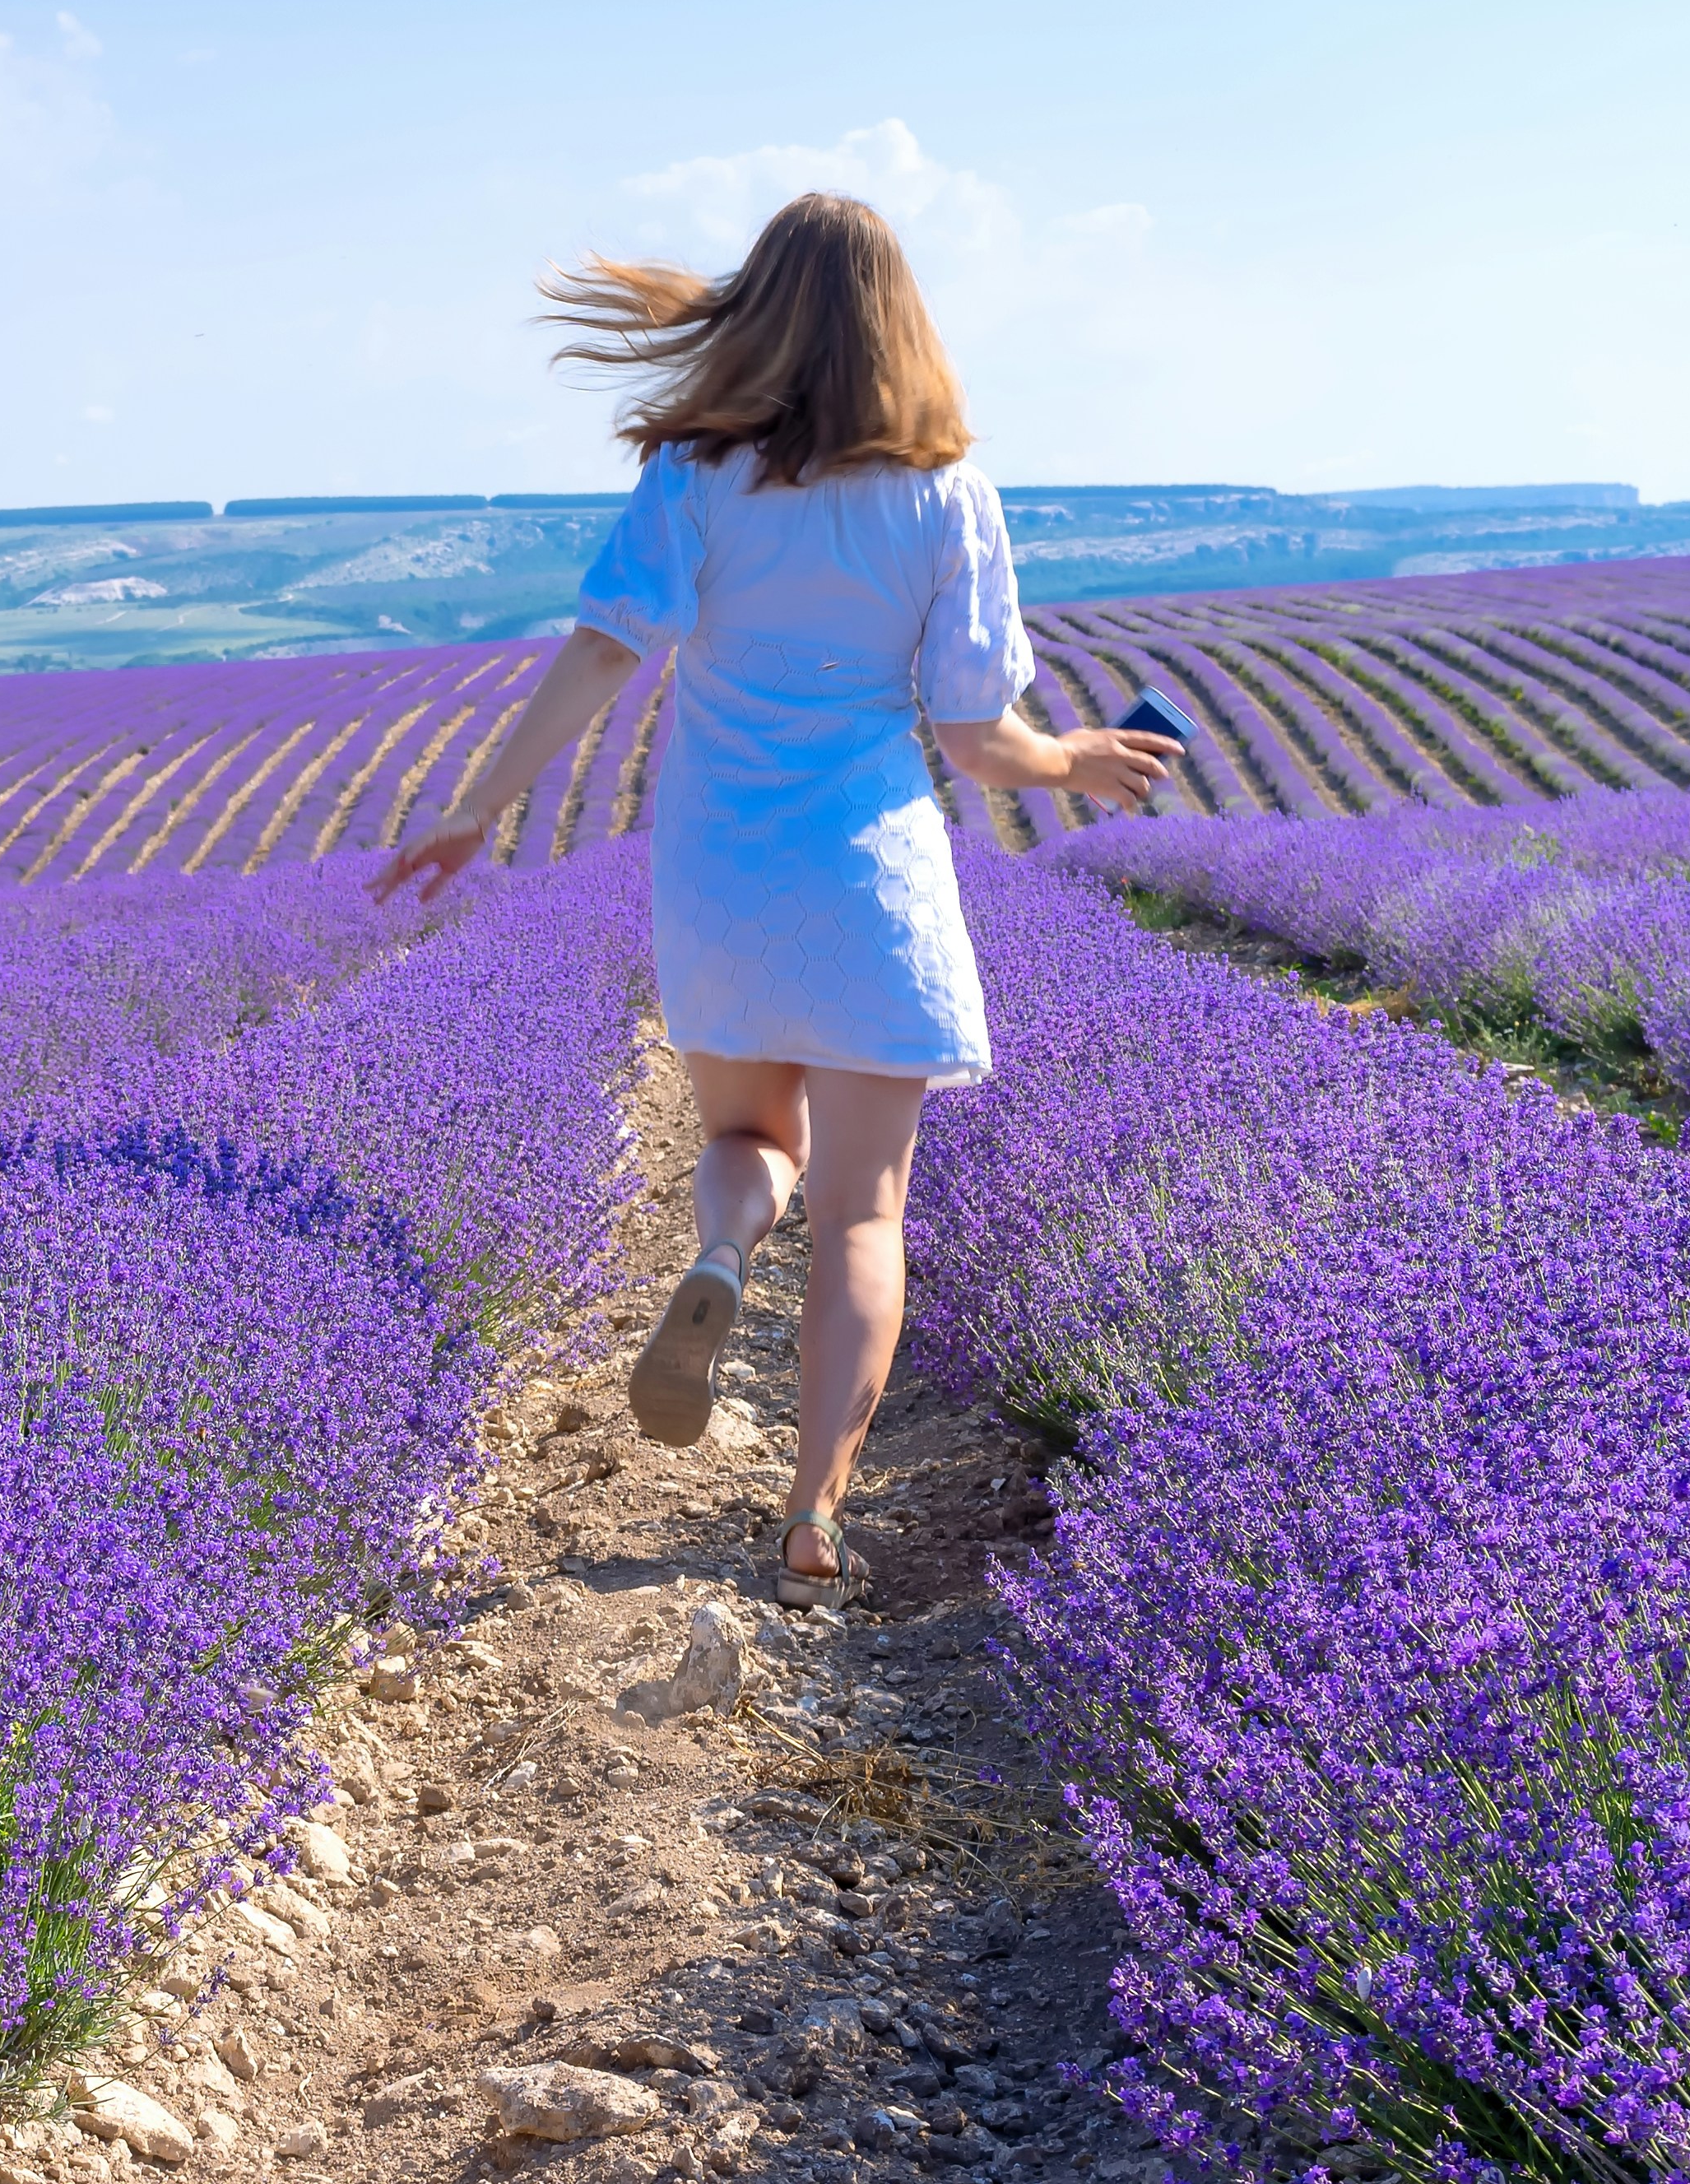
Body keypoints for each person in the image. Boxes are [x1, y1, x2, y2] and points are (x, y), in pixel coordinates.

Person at [369, 193, 1181, 1603]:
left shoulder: (696, 476)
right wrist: (1076, 759)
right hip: (874, 878)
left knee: (751, 1135)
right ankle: (812, 1517)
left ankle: (723, 1252)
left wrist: (478, 806)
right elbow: (978, 737)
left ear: (763, 312)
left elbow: (605, 648)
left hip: (725, 868)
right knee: (866, 1215)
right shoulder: (949, 495)